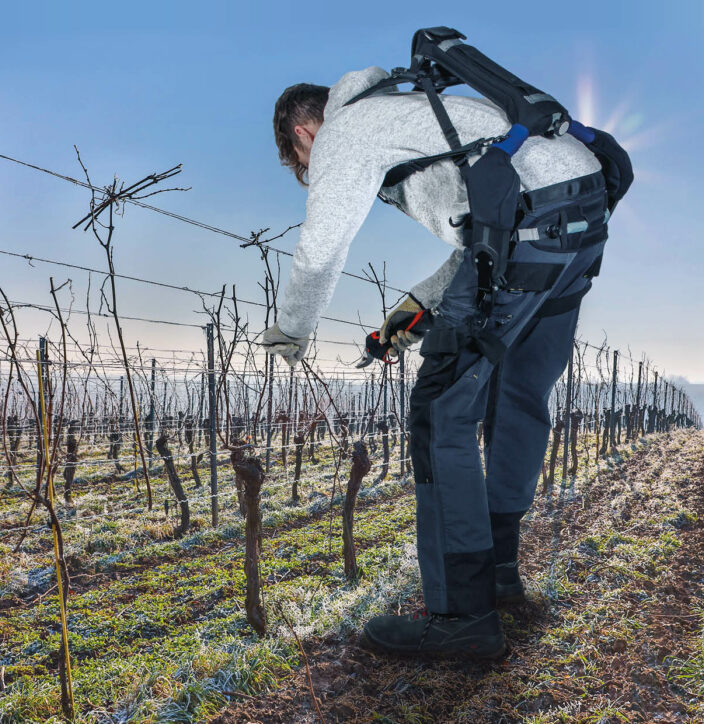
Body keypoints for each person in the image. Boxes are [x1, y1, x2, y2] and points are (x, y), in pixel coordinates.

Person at [260, 62, 616, 659]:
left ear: (302, 135)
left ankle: (462, 615)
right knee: (518, 393)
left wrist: (290, 331)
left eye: (302, 167)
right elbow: (484, 240)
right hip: (582, 219)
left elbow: (322, 246)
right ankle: (499, 572)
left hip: (533, 224)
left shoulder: (345, 131)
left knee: (439, 414)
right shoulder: (417, 111)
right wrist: (411, 312)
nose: (308, 172)